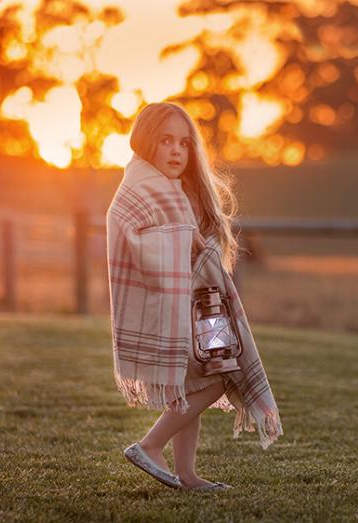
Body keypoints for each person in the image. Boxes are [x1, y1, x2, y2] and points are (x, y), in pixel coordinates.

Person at [105, 102, 283, 493]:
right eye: (166, 141)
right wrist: (185, 239)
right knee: (220, 375)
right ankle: (150, 444)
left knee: (195, 384)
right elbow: (131, 236)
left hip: (201, 303)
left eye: (183, 143)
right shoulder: (142, 186)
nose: (176, 151)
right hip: (173, 305)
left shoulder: (175, 188)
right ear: (146, 141)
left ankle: (186, 475)